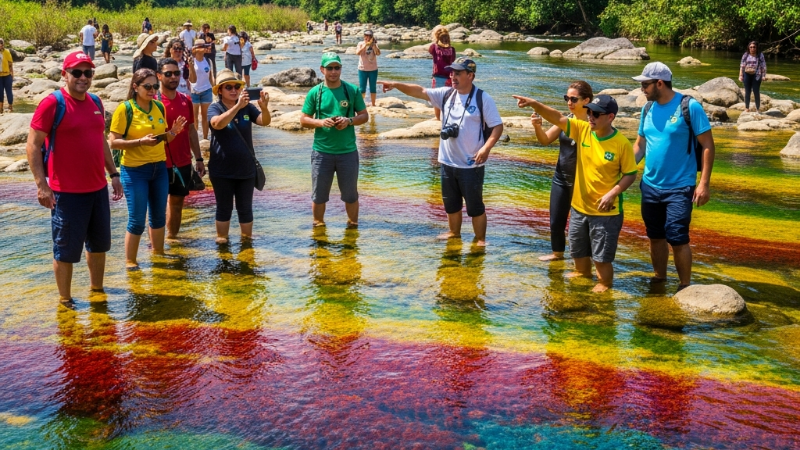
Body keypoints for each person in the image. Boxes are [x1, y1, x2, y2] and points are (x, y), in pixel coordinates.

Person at [25, 51, 123, 304]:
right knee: (66, 251)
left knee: (99, 246)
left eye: (88, 73)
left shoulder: (96, 102)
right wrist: (41, 186)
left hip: (97, 189)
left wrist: (113, 173)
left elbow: (100, 139)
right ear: (64, 74)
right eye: (76, 72)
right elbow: (33, 145)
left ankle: (97, 293)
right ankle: (66, 301)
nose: (83, 77)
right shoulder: (52, 103)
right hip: (66, 193)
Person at [513, 94, 638, 292]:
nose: (591, 117)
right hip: (579, 207)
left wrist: (613, 193)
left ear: (611, 117)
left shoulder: (621, 143)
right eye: (589, 112)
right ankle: (582, 274)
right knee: (578, 254)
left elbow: (630, 174)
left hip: (605, 212)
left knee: (601, 259)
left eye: (596, 114)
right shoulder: (583, 130)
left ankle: (605, 286)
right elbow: (556, 118)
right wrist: (535, 104)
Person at [379, 58, 504, 246]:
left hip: (471, 163)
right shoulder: (446, 94)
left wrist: (486, 148)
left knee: (475, 206)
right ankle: (454, 233)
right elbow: (420, 91)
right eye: (452, 72)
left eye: (458, 73)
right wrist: (396, 85)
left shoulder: (482, 98)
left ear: (470, 76)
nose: (453, 76)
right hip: (447, 161)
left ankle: (480, 240)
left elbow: (497, 127)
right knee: (451, 202)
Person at [632, 62, 715, 291]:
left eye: (645, 84)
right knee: (655, 236)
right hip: (649, 185)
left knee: (678, 237)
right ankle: (659, 280)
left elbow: (707, 145)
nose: (642, 89)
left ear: (660, 83)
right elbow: (640, 144)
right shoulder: (647, 109)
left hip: (680, 187)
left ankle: (684, 287)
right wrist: (622, 170)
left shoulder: (689, 107)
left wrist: (704, 184)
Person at [108, 68, 187, 269]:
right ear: (135, 87)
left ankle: (158, 257)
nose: (152, 90)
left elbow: (162, 138)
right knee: (136, 219)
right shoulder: (125, 109)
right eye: (147, 86)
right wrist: (140, 142)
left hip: (159, 168)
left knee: (158, 215)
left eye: (154, 86)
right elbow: (114, 142)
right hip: (135, 171)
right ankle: (130, 262)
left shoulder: (158, 107)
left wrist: (173, 133)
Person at [300, 53, 369, 228]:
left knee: (351, 195)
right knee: (319, 195)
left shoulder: (351, 90)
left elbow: (364, 116)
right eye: (329, 68)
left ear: (341, 69)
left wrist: (349, 121)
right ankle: (318, 227)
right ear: (322, 70)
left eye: (336, 68)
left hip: (347, 152)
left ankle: (353, 228)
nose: (333, 72)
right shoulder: (315, 92)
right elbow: (304, 119)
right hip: (322, 152)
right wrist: (321, 122)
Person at [530, 81, 593, 262]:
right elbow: (545, 140)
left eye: (574, 99)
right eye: (567, 98)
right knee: (556, 221)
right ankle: (557, 254)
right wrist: (537, 127)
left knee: (581, 225)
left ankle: (582, 260)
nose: (569, 102)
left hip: (582, 182)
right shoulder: (567, 119)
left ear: (586, 100)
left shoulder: (593, 123)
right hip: (561, 178)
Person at [208, 69, 271, 244]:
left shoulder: (248, 107)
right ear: (220, 90)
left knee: (245, 208)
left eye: (237, 86)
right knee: (224, 208)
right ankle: (222, 241)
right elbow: (217, 124)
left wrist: (264, 108)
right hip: (221, 170)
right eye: (228, 87)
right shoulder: (215, 108)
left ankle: (247, 242)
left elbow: (264, 121)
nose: (234, 90)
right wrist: (237, 107)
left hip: (246, 168)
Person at [157, 58, 205, 239]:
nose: (173, 77)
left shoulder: (186, 100)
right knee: (156, 206)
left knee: (177, 204)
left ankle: (172, 241)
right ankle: (155, 246)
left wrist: (199, 159)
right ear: (159, 76)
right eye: (168, 74)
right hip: (158, 162)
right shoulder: (154, 102)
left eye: (176, 73)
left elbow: (191, 131)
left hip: (182, 161)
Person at [429, 27, 456, 120]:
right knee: (448, 98)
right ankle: (447, 117)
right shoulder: (452, 49)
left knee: (436, 98)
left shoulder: (434, 47)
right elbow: (453, 61)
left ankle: (438, 118)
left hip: (438, 77)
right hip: (450, 77)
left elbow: (430, 51)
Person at [191, 39, 214, 140]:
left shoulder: (208, 60)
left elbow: (211, 76)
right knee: (194, 118)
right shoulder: (191, 61)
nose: (205, 48)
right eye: (203, 47)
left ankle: (205, 138)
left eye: (205, 46)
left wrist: (215, 89)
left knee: (205, 117)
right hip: (193, 91)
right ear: (196, 49)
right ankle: (196, 139)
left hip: (207, 90)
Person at [739, 41, 767, 113]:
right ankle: (747, 108)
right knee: (747, 91)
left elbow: (763, 66)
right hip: (747, 74)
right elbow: (742, 66)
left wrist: (763, 76)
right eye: (751, 47)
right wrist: (741, 75)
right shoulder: (746, 55)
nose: (752, 48)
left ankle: (758, 109)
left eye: (754, 47)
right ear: (749, 48)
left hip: (757, 75)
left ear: (756, 48)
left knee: (756, 91)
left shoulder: (760, 55)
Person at [356, 30, 380, 107]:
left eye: (369, 36)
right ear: (364, 36)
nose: (367, 37)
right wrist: (364, 46)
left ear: (372, 37)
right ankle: (361, 104)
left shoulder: (374, 44)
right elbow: (357, 53)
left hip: (373, 69)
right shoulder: (360, 43)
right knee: (362, 88)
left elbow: (378, 53)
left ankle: (373, 104)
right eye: (366, 36)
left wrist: (374, 46)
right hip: (362, 69)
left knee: (373, 87)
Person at [0, 38, 13, 114]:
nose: (0, 45)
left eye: (1, 43)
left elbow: (10, 64)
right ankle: (1, 108)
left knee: (9, 92)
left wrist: (12, 74)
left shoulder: (6, 52)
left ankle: (10, 107)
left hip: (7, 75)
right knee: (0, 92)